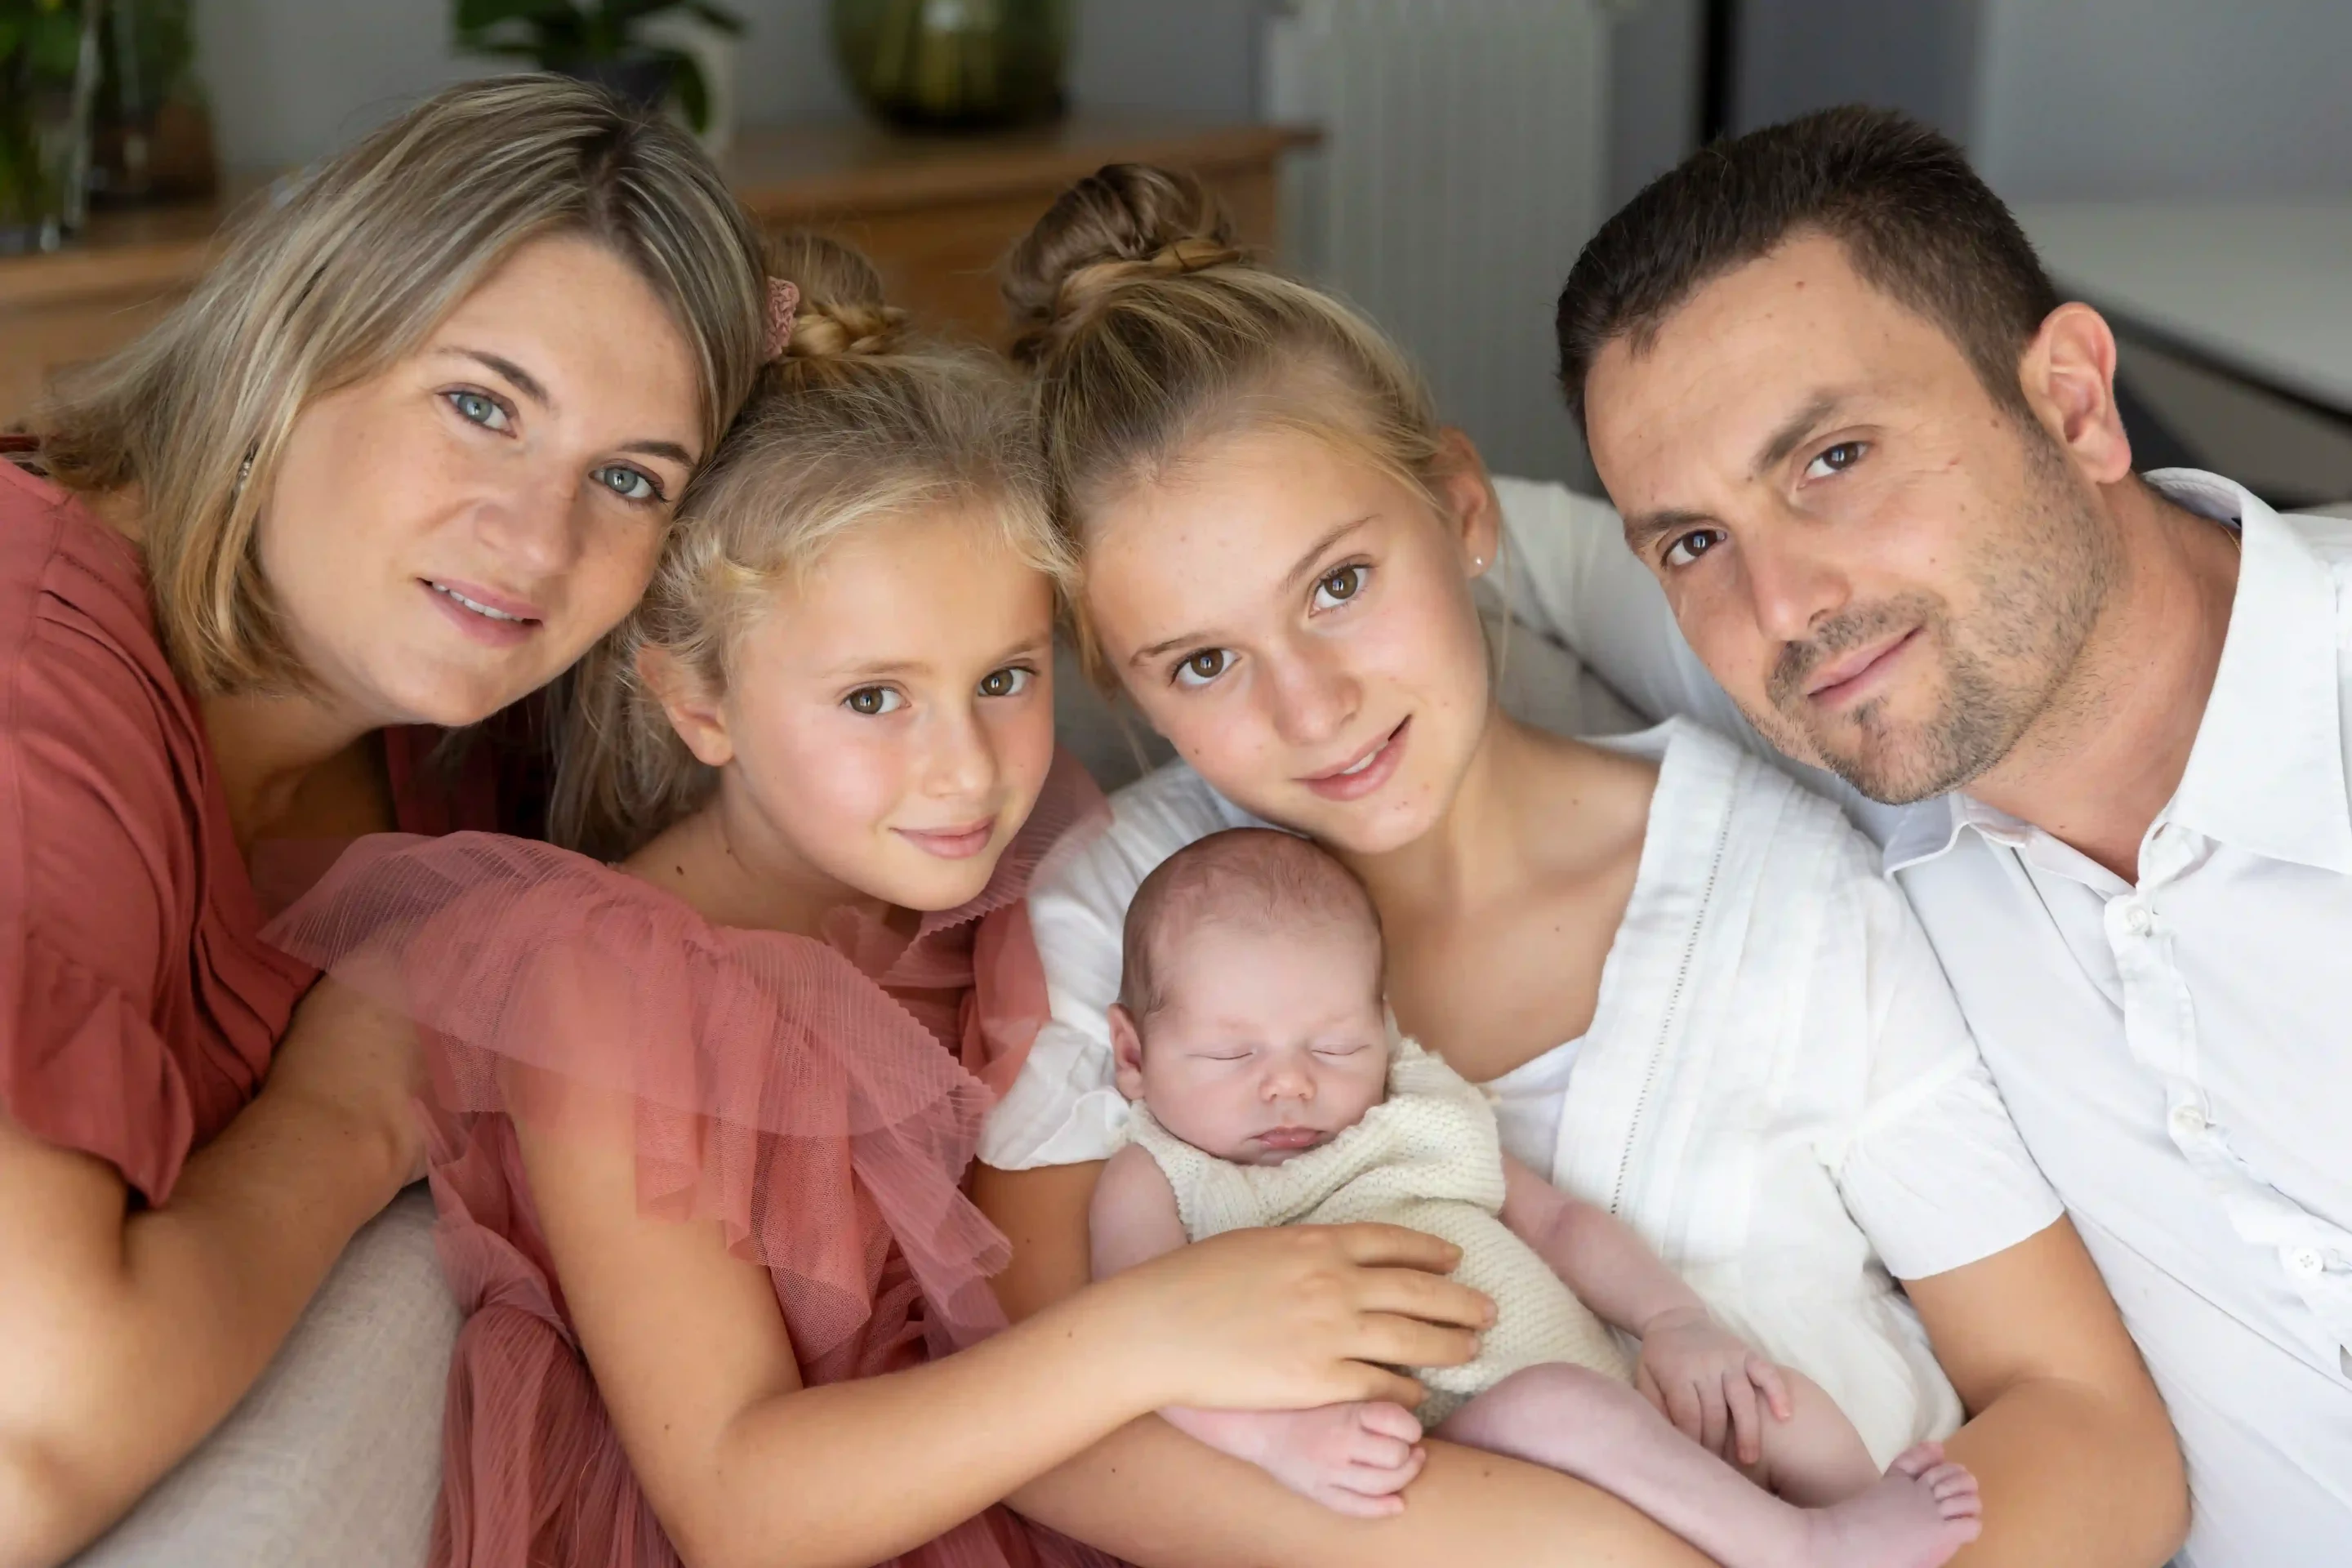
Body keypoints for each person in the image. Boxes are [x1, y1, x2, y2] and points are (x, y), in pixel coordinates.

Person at [970, 161, 2186, 1568]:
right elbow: (1046, 1423)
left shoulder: (1792, 893)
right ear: (1120, 687)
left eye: (1340, 585)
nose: (1312, 708)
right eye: (1200, 662)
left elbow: (2088, 1427)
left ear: (1463, 511)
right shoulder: (1109, 915)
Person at [267, 237, 1494, 1568]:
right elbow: (740, 1504)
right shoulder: (609, 986)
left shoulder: (1039, 869)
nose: (966, 768)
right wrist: (1155, 1333)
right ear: (697, 700)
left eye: (1005, 679)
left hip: (1122, 1474)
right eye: (873, 698)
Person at [1538, 104, 2352, 1568]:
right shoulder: (1844, 746)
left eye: (1834, 458)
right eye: (1693, 542)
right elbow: (1447, 549)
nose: (1783, 605)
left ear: (2073, 404)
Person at [0, 77, 777, 1565]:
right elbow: (19, 1449)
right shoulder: (33, 696)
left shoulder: (451, 717)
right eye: (481, 406)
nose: (536, 541)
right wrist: (348, 1112)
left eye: (629, 478)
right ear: (291, 346)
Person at [1092, 826, 1985, 1568]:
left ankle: (1851, 1514)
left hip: (1619, 1416)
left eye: (1334, 1047)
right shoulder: (1163, 1175)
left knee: (1766, 1398)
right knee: (1555, 1404)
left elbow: (1558, 1223)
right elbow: (1143, 1354)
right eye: (1231, 1055)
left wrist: (1674, 1320)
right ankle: (1801, 1550)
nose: (1290, 1085)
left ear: (1383, 1027)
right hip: (1445, 1455)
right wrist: (1278, 1445)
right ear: (1133, 1056)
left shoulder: (1419, 1107)